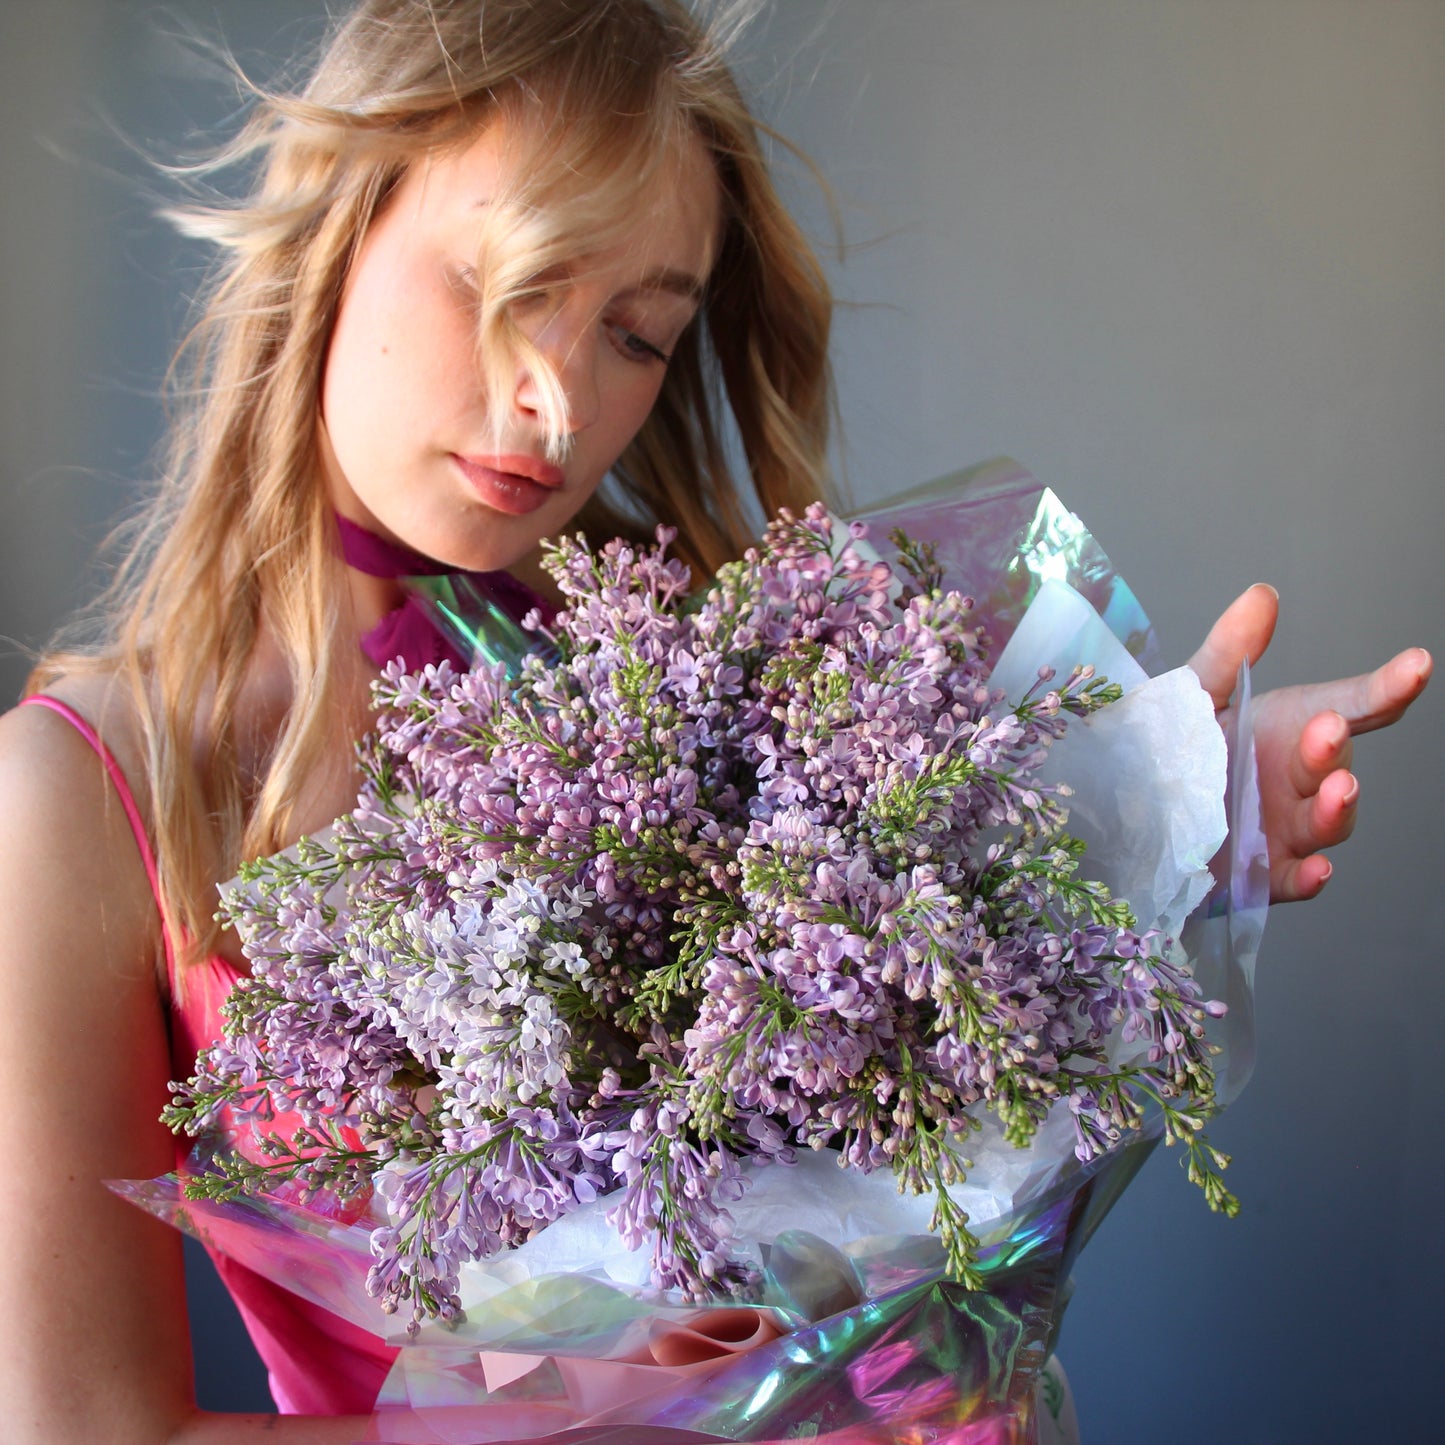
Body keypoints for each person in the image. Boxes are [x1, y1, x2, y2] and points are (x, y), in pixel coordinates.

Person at [0, 1, 1429, 1440]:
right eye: (512, 286)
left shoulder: (700, 650)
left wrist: (1166, 792)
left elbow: (911, 1013)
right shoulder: (88, 790)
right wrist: (598, 1412)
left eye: (635, 333)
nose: (557, 400)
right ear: (334, 224)